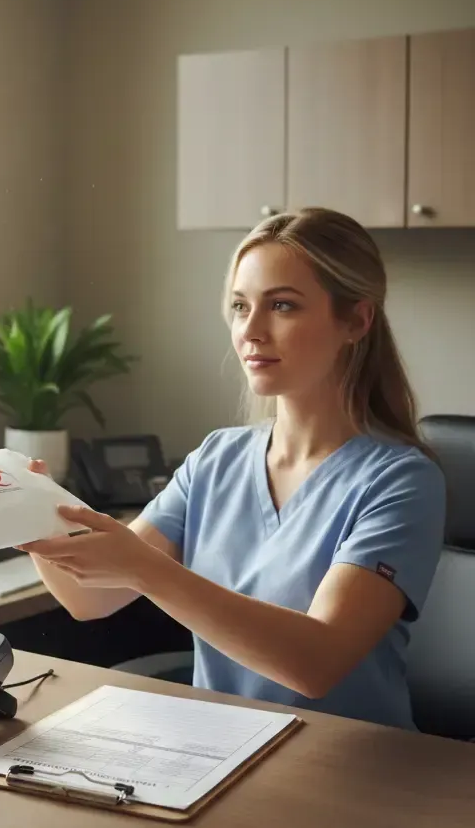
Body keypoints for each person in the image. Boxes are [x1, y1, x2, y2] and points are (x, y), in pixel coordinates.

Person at [22, 207, 445, 730]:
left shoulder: (402, 481)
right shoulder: (216, 459)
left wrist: (145, 567)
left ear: (356, 321)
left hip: (348, 771)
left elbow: (316, 663)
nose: (251, 331)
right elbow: (93, 597)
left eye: (283, 306)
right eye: (240, 306)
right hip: (225, 752)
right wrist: (30, 511)